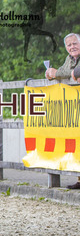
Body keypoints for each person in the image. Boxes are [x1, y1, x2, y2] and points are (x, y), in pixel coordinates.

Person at [46, 33, 80, 190]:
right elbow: (65, 71)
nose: (72, 47)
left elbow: (72, 72)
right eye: (69, 45)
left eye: (75, 43)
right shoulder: (69, 58)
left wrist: (57, 73)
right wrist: (51, 73)